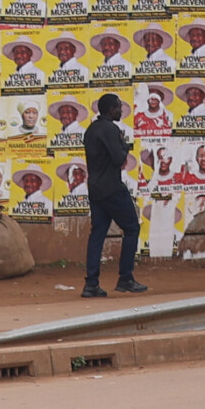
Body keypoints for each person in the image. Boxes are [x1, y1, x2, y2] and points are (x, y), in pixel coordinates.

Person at [83, 93, 145, 297]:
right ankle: (125, 278)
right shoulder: (111, 129)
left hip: (95, 188)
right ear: (110, 109)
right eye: (118, 107)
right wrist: (124, 145)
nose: (121, 111)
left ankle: (91, 284)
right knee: (132, 228)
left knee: (97, 234)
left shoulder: (91, 130)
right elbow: (119, 158)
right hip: (111, 188)